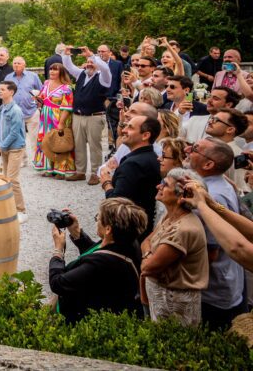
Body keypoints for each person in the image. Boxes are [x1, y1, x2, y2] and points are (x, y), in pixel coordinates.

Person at [48, 198, 147, 324]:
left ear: (108, 229)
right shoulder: (129, 243)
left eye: (98, 218)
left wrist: (58, 251)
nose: (96, 221)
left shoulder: (101, 263)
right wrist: (77, 233)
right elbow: (98, 251)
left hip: (82, 322)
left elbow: (58, 284)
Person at [186, 138, 246, 330]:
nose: (188, 149)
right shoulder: (219, 184)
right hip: (228, 281)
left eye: (195, 149)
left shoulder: (213, 193)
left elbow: (211, 251)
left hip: (214, 288)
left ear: (209, 164)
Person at [140, 169, 208, 325]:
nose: (158, 186)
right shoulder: (169, 216)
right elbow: (145, 242)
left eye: (165, 184)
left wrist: (146, 257)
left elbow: (148, 268)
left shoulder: (183, 230)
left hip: (173, 303)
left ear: (180, 197)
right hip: (162, 297)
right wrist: (149, 253)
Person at [99, 114, 161, 239]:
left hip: (128, 232)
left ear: (145, 135)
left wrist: (106, 182)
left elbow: (116, 202)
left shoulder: (133, 164)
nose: (124, 130)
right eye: (126, 126)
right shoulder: (151, 156)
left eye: (130, 128)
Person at [60, 47, 111, 184]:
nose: (89, 64)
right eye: (88, 62)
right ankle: (80, 172)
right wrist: (66, 55)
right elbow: (69, 67)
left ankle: (95, 173)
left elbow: (105, 68)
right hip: (78, 116)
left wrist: (92, 56)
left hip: (94, 116)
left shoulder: (104, 76)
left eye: (92, 62)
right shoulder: (81, 74)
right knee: (79, 145)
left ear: (97, 64)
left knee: (95, 146)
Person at [33, 61, 74, 176]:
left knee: (58, 142)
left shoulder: (66, 88)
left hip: (58, 117)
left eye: (55, 69)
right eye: (51, 69)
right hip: (45, 116)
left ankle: (60, 169)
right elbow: (42, 99)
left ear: (61, 72)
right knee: (45, 141)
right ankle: (49, 168)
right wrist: (38, 100)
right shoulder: (46, 83)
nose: (52, 71)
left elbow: (67, 107)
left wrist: (61, 123)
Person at [0, 81, 27, 222]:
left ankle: (21, 211)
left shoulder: (16, 110)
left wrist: (1, 146)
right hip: (5, 148)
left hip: (15, 148)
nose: (0, 91)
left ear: (11, 92)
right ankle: (9, 207)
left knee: (12, 179)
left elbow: (14, 133)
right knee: (5, 178)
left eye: (3, 89)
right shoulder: (2, 108)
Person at [3, 57, 43, 164]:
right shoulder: (8, 77)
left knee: (35, 138)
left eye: (19, 63)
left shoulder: (33, 76)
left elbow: (41, 91)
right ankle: (22, 160)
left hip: (32, 112)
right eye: (15, 63)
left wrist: (38, 104)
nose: (16, 65)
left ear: (24, 65)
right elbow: (4, 92)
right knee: (18, 138)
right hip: (15, 113)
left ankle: (37, 161)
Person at [98, 44, 126, 150]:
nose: (101, 53)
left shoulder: (117, 64)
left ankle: (113, 142)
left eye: (103, 51)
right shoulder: (95, 64)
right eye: (99, 51)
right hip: (99, 97)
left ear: (109, 53)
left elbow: (120, 81)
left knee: (112, 120)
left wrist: (118, 96)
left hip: (112, 96)